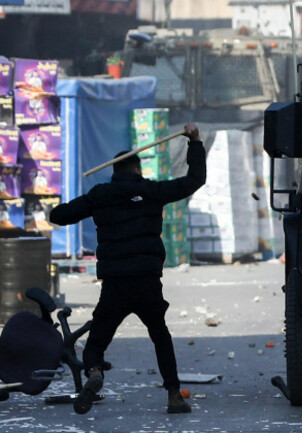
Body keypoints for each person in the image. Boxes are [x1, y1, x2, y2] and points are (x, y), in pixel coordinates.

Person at [49, 123, 206, 415]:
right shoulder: (152, 191)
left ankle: (95, 371)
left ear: (114, 171)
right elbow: (195, 179)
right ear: (136, 169)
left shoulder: (100, 195)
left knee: (98, 339)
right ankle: (174, 395)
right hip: (147, 280)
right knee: (160, 336)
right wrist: (193, 142)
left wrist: (54, 204)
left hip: (115, 282)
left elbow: (60, 216)